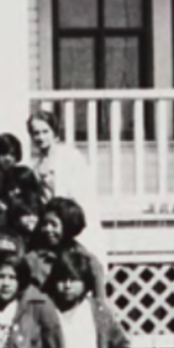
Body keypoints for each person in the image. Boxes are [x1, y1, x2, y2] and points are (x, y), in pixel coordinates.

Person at [26, 110, 106, 264]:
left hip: (73, 221)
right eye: (36, 133)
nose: (40, 137)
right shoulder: (36, 165)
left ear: (54, 132)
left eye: (45, 132)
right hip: (52, 226)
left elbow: (80, 194)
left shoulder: (69, 157)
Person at [25, 196, 106, 299]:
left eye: (54, 225)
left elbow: (100, 302)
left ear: (68, 226)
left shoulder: (87, 260)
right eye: (45, 224)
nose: (47, 229)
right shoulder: (33, 260)